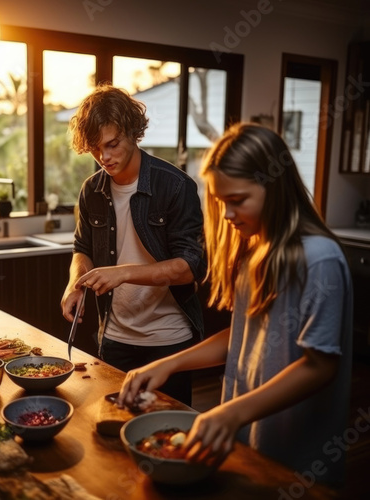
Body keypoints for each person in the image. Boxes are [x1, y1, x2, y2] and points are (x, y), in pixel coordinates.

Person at [118, 122, 353, 486]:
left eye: (237, 200)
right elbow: (243, 336)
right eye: (221, 202)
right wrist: (169, 363)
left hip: (301, 456)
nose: (227, 215)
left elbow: (319, 364)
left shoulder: (319, 258)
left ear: (275, 187)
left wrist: (230, 413)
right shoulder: (256, 250)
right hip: (250, 439)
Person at [60, 83, 206, 406]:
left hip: (169, 340)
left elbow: (190, 267)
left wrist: (122, 273)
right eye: (96, 149)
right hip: (114, 338)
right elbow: (81, 248)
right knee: (111, 430)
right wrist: (75, 283)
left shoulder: (176, 187)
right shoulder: (91, 190)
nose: (104, 157)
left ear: (133, 132)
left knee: (166, 432)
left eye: (112, 144)